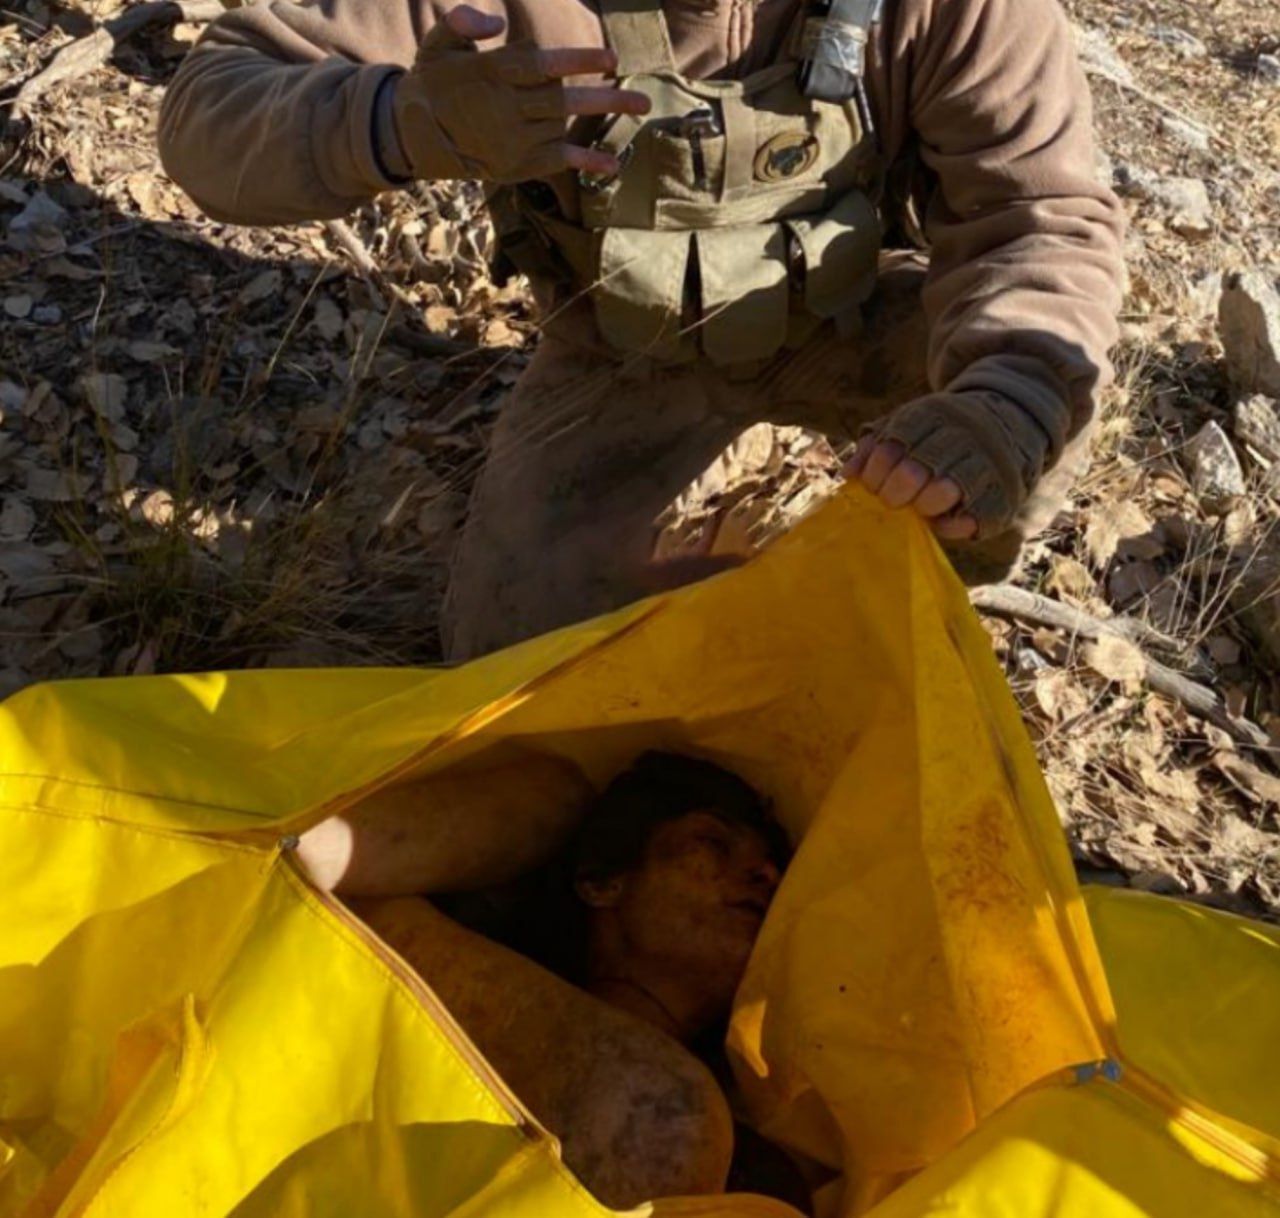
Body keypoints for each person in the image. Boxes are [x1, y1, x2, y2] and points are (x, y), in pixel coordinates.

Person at [158, 0, 1124, 659]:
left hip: (855, 317)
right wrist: (406, 124)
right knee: (510, 652)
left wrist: (1000, 407)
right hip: (621, 352)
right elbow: (209, 114)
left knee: (1038, 396)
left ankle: (936, 582)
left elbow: (1040, 216)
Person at [296, 751, 799, 1209]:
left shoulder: (762, 1174)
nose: (765, 876)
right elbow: (309, 858)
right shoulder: (434, 966)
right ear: (602, 883)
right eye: (713, 841)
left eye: (778, 873)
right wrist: (564, 803)